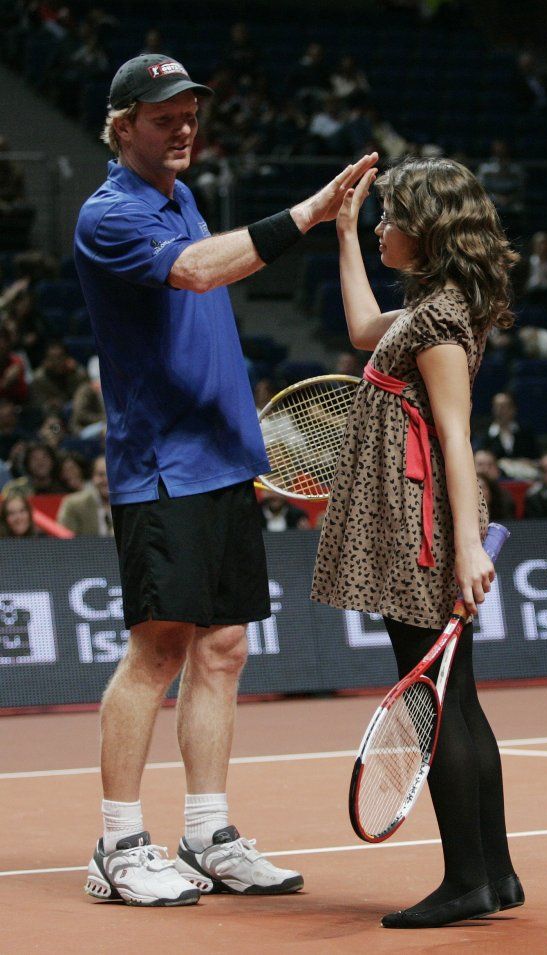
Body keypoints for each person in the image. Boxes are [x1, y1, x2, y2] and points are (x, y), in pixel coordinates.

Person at [74, 52, 378, 907]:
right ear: (122, 123)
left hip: (223, 461)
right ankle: (118, 842)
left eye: (190, 114)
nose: (183, 127)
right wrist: (313, 212)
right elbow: (199, 271)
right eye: (164, 115)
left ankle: (207, 830)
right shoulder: (109, 214)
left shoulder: (180, 198)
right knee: (158, 649)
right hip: (163, 466)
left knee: (224, 648)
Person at [311, 156, 523, 928]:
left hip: (420, 531)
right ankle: (495, 874)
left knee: (436, 706)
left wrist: (467, 547)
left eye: (389, 217)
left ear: (427, 231)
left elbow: (458, 438)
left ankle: (466, 879)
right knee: (457, 699)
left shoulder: (438, 321)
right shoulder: (433, 305)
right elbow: (365, 327)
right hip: (422, 524)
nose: (380, 228)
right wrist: (339, 233)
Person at [57, 454, 113, 535]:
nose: (106, 480)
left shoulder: (129, 506)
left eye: (111, 475)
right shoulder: (73, 504)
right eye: (101, 475)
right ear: (92, 477)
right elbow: (63, 539)